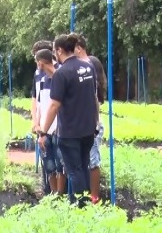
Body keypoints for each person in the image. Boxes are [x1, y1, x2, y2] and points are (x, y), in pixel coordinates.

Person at [40, 34, 99, 207]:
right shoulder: (88, 68)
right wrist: (95, 122)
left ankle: (82, 207)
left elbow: (53, 106)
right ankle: (81, 203)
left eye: (54, 50)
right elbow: (94, 97)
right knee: (84, 165)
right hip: (88, 129)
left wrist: (43, 132)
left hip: (70, 131)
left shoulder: (61, 73)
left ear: (59, 50)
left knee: (74, 170)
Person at [75, 34, 108, 204]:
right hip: (84, 123)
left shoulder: (89, 67)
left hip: (92, 123)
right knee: (85, 161)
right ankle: (88, 196)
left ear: (79, 48)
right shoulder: (82, 67)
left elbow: (95, 99)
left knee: (93, 161)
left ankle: (94, 198)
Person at [33, 49, 66, 195]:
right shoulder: (42, 80)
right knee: (49, 166)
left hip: (59, 129)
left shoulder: (61, 76)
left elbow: (57, 105)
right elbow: (40, 105)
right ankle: (54, 195)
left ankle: (60, 194)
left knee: (61, 165)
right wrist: (39, 126)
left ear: (41, 62)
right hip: (45, 130)